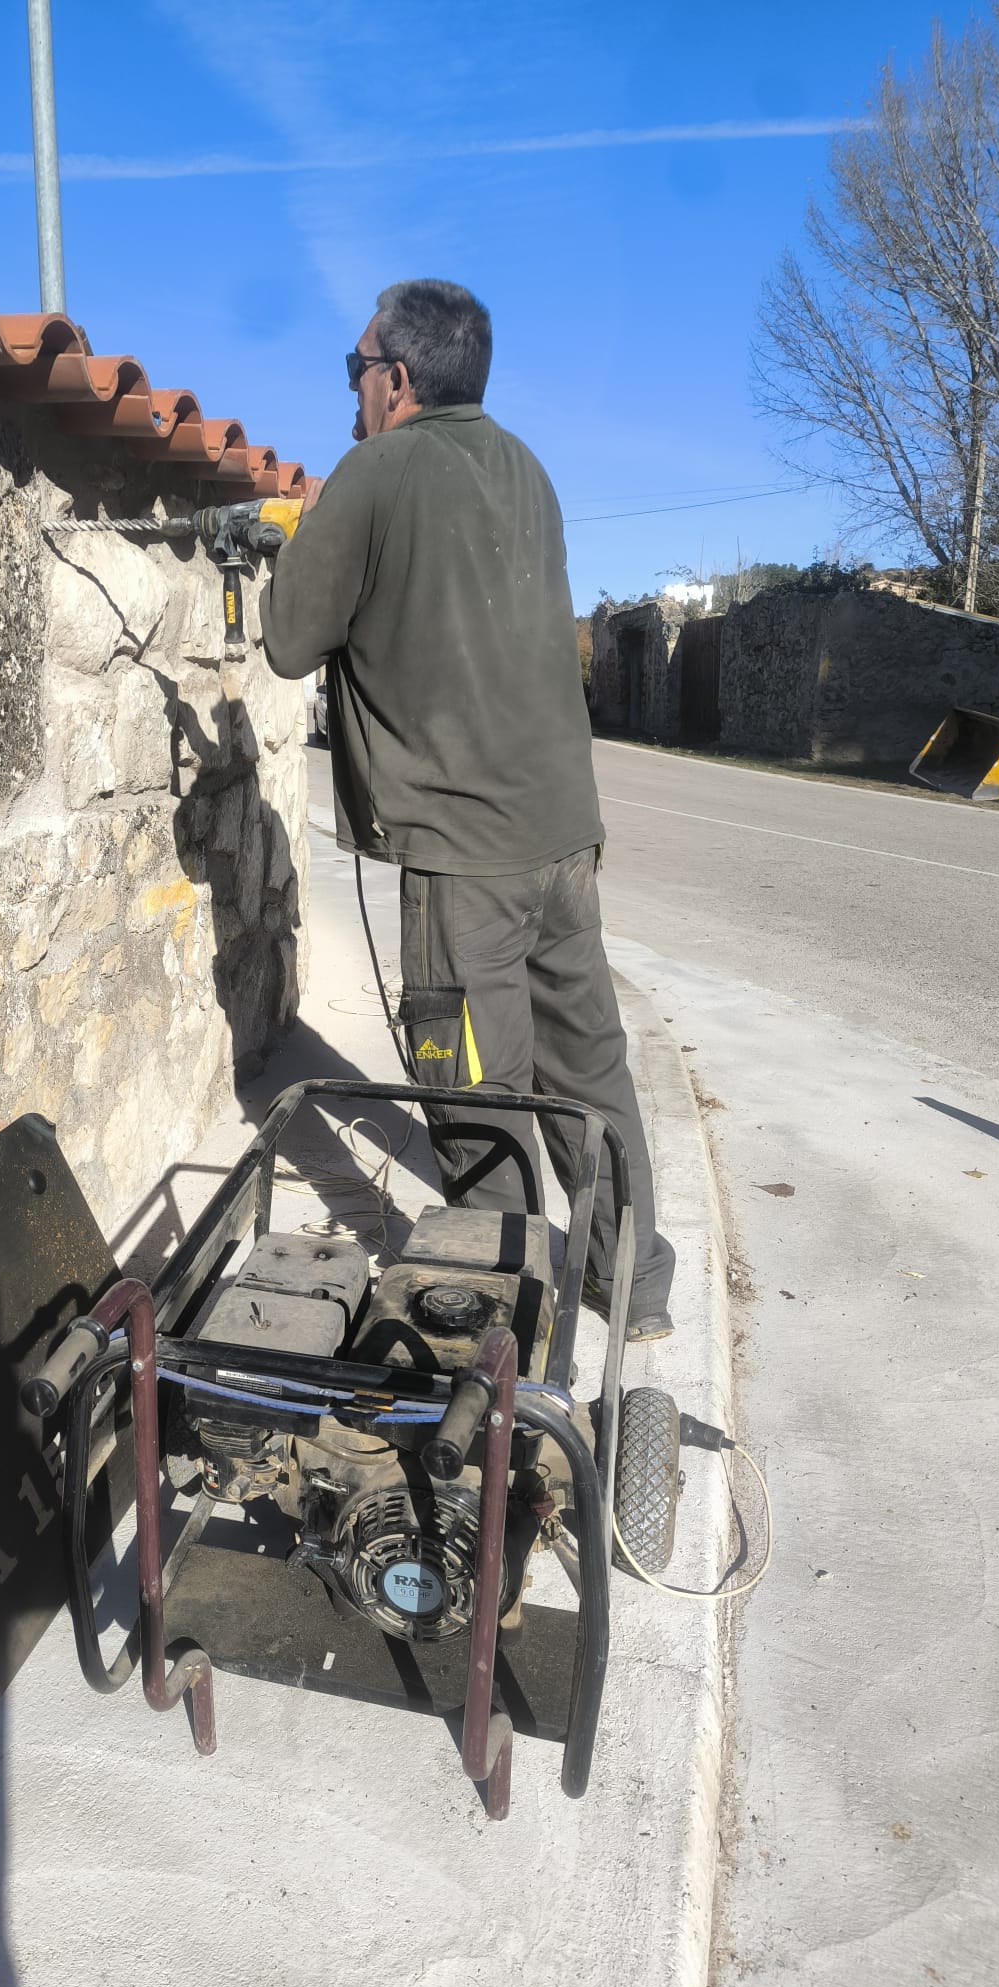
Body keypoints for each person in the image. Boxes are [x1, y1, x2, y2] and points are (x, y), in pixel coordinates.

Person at [258, 278, 675, 1339]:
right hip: (563, 837)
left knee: (477, 1093)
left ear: (396, 378)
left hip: (464, 859)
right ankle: (632, 1283)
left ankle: (504, 1325)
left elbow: (290, 642)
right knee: (589, 1070)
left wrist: (303, 535)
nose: (350, 390)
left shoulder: (373, 470)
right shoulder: (526, 467)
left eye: (355, 369)